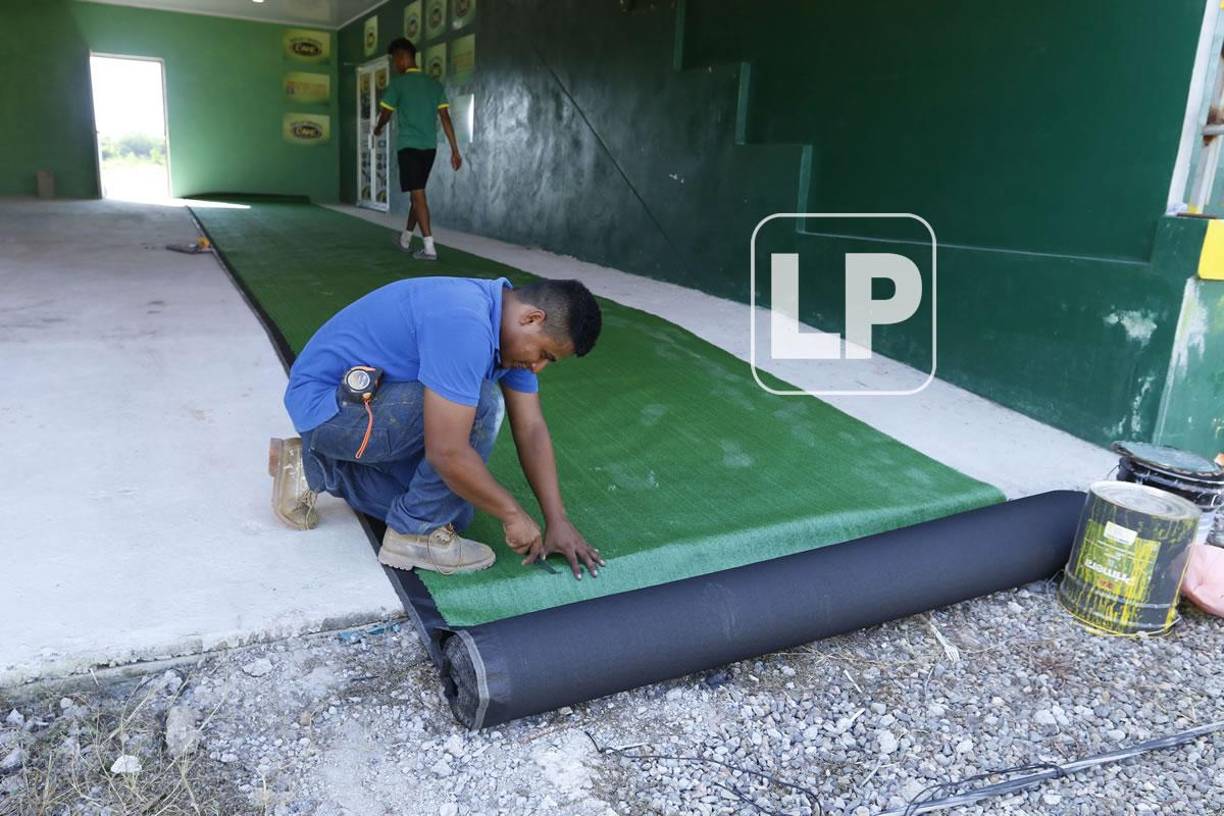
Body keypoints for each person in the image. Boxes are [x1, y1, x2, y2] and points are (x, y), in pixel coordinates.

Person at [268, 276, 606, 580]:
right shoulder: (464, 320)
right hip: (329, 409)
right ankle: (412, 534)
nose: (538, 367)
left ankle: (316, 465)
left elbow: (531, 428)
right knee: (483, 403)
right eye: (544, 353)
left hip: (372, 409)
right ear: (532, 318)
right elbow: (447, 451)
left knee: (454, 513)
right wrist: (512, 513)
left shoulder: (509, 335)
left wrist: (556, 518)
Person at [373, 37, 461, 261]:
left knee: (418, 195)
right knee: (418, 192)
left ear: (403, 58)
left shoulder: (399, 84)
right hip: (429, 148)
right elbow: (445, 118)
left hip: (409, 147)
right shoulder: (434, 85)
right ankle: (405, 238)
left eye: (395, 60)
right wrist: (455, 150)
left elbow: (386, 113)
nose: (395, 65)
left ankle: (429, 248)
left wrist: (378, 128)